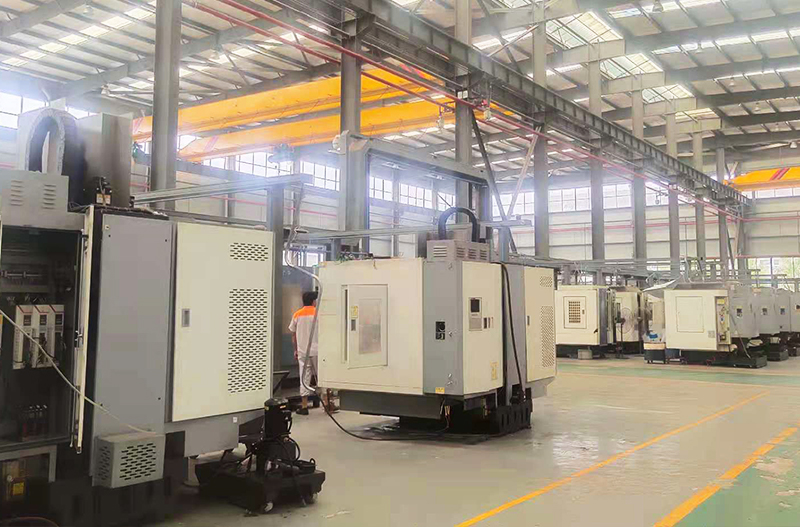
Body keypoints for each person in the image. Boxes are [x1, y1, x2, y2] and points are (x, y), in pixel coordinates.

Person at [288, 291, 336, 415]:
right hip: (318, 351)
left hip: (303, 352)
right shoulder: (319, 313)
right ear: (313, 301)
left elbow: (293, 334)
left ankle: (304, 406)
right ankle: (327, 404)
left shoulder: (297, 314)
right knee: (322, 377)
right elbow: (326, 331)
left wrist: (296, 350)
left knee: (304, 378)